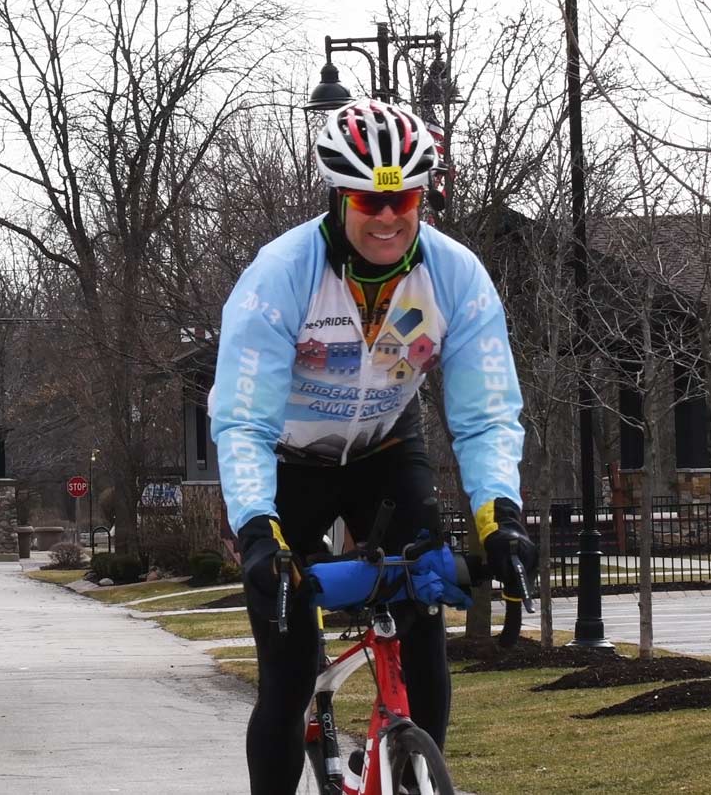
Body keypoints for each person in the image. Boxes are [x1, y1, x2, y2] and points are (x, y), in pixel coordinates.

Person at [208, 98, 537, 795]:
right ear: (339, 193)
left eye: (405, 198)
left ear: (424, 195)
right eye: (369, 198)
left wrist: (499, 515)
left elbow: (485, 414)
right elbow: (242, 421)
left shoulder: (455, 276)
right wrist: (257, 528)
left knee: (422, 629)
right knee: (289, 672)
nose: (388, 216)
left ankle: (418, 777)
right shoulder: (280, 275)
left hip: (386, 450)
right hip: (289, 466)